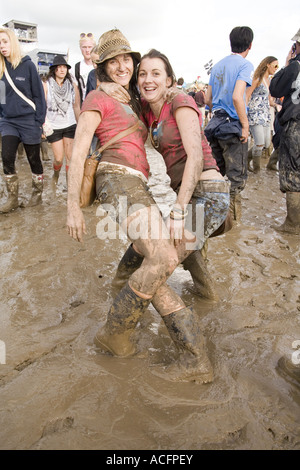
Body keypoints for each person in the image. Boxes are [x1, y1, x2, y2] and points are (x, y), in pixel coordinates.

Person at [66, 29, 214, 384]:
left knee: (158, 255)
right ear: (101, 65)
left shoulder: (130, 99)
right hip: (116, 180)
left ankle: (121, 316)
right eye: (112, 61)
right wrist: (72, 206)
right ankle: (123, 334)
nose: (122, 66)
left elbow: (165, 101)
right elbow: (77, 151)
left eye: (126, 59)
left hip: (139, 185)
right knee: (163, 258)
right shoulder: (96, 99)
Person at [205, 26, 254, 221]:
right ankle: (232, 222)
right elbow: (237, 97)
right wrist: (245, 125)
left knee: (215, 172)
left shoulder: (217, 66)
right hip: (232, 126)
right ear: (250, 45)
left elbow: (208, 98)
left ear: (231, 42)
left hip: (215, 124)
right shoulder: (245, 65)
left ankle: (209, 213)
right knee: (236, 178)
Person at [0, 27, 46, 213]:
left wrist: (38, 121)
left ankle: (37, 194)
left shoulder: (28, 65)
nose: (2, 46)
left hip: (29, 120)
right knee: (7, 158)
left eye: (5, 41)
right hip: (8, 121)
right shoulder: (1, 68)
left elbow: (39, 95)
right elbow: (1, 98)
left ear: (12, 42)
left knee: (34, 159)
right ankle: (12, 198)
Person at [269, 28, 300, 235]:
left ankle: (292, 224)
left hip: (295, 124)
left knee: (292, 174)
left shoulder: (295, 67)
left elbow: (275, 89)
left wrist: (288, 62)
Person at [43, 55, 80, 187]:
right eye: (58, 67)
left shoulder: (72, 86)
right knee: (59, 159)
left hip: (70, 124)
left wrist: (79, 122)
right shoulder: (46, 85)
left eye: (64, 67)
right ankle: (56, 173)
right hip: (54, 126)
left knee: (70, 158)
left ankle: (70, 186)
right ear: (54, 70)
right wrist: (42, 125)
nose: (62, 70)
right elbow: (43, 107)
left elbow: (76, 106)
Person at [246, 56, 279, 173]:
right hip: (255, 114)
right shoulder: (257, 79)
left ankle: (246, 159)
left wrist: (276, 105)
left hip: (265, 115)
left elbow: (269, 100)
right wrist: (245, 112)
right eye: (275, 65)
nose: (276, 68)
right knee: (259, 143)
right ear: (267, 65)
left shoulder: (268, 81)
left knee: (265, 143)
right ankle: (257, 170)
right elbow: (247, 95)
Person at [74, 33, 96, 105]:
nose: (87, 50)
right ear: (80, 48)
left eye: (90, 47)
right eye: (84, 47)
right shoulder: (76, 68)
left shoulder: (100, 66)